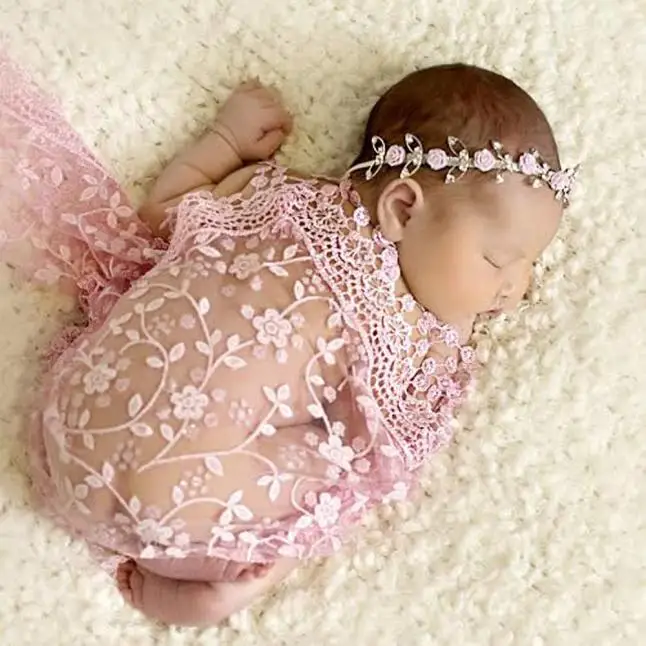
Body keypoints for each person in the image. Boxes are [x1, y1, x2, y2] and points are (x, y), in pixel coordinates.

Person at [0, 53, 577, 625]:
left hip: (71, 425)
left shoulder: (277, 192)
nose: (516, 287)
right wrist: (452, 334)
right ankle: (227, 582)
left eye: (528, 264)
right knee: (343, 471)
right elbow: (382, 449)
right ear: (403, 209)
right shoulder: (403, 335)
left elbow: (164, 216)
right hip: (176, 510)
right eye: (498, 259)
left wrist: (224, 143)